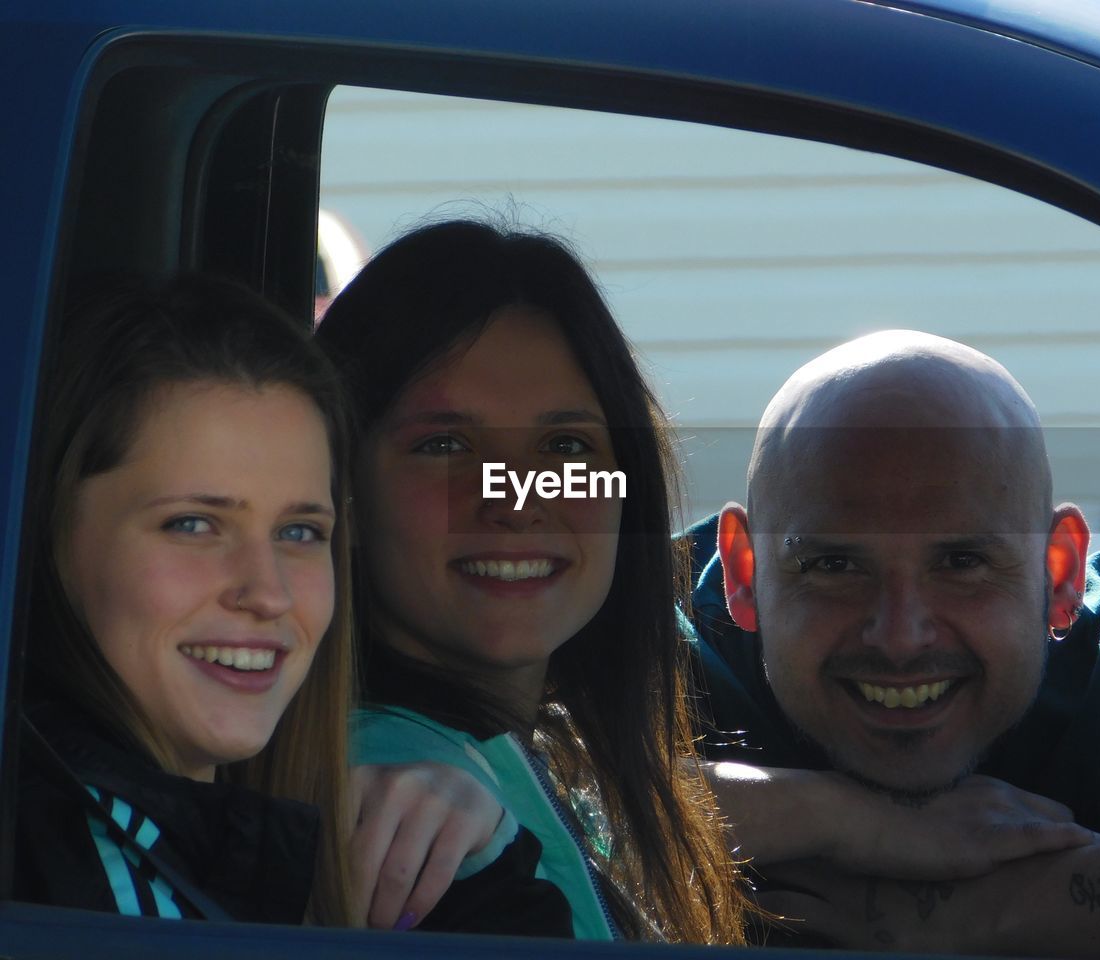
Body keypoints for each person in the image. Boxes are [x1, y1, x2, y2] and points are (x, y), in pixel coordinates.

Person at [686, 329, 1100, 957]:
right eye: (835, 567)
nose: (899, 637)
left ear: (1061, 574)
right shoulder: (642, 641)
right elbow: (570, 787)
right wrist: (840, 819)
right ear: (742, 574)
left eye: (962, 562)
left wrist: (994, 913)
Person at [316, 219, 747, 942]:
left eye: (564, 445)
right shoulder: (403, 820)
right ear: (339, 492)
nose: (516, 499)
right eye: (445, 445)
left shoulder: (534, 754)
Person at [15, 276, 357, 924]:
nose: (268, 593)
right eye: (193, 524)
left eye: (299, 532)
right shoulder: (84, 891)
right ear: (50, 533)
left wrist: (485, 860)